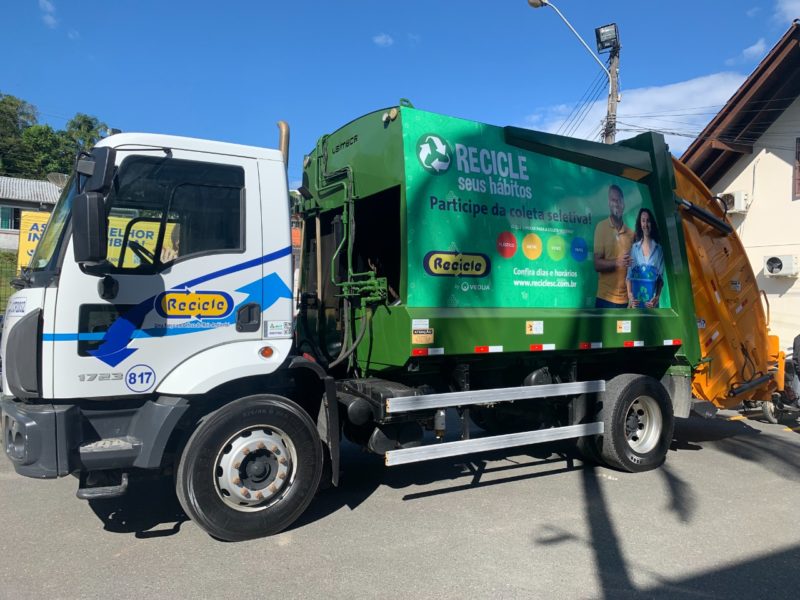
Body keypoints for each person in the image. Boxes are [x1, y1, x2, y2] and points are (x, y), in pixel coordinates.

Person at [593, 184, 634, 308]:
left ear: (624, 204)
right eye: (613, 200)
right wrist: (617, 262)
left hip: (625, 302)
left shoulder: (631, 234)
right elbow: (597, 264)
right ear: (608, 204)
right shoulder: (601, 227)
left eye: (619, 200)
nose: (616, 203)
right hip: (605, 300)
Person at [626, 208, 665, 308]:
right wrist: (630, 296)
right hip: (636, 306)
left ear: (652, 223)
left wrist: (657, 297)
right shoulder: (634, 249)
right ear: (640, 224)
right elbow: (629, 276)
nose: (646, 224)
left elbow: (660, 279)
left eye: (648, 221)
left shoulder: (659, 250)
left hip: (652, 306)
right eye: (643, 221)